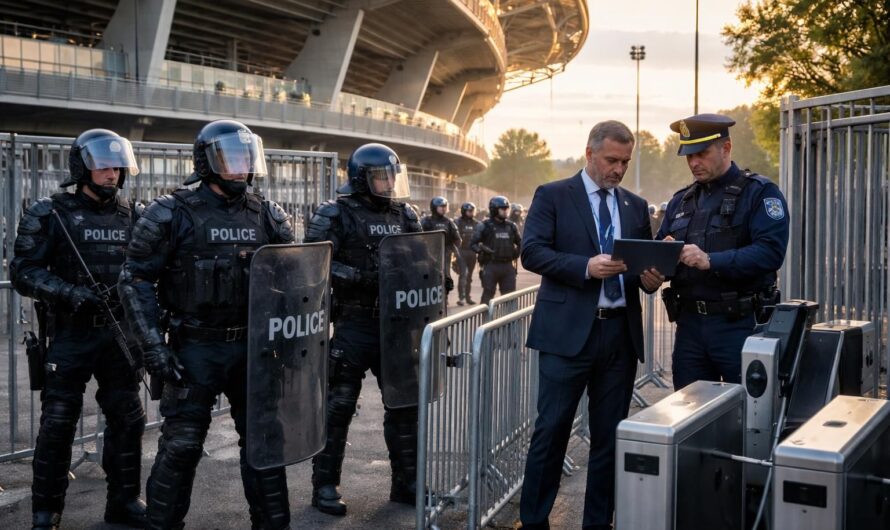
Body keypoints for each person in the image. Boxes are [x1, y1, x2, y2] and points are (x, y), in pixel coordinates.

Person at [117, 120, 296, 530]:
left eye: (246, 157)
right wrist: (152, 347)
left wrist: (290, 343)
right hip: (194, 347)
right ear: (208, 161)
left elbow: (295, 278)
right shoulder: (171, 212)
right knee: (181, 446)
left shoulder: (268, 214)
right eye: (232, 157)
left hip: (253, 348)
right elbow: (135, 278)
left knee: (265, 445)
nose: (241, 166)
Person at [519, 121, 664, 530]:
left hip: (619, 335)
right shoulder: (553, 195)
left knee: (609, 439)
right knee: (551, 432)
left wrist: (649, 278)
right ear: (589, 153)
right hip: (567, 335)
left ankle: (598, 523)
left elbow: (637, 266)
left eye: (625, 162)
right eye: (611, 160)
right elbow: (532, 252)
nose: (617, 169)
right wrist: (584, 266)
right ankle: (534, 521)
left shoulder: (635, 206)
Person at [10, 129, 148, 530]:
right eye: (104, 166)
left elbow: (147, 272)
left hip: (118, 335)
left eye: (117, 167)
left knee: (129, 419)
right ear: (83, 168)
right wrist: (69, 293)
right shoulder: (50, 213)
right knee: (57, 423)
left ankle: (123, 502)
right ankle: (46, 512)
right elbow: (23, 271)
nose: (112, 175)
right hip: (71, 333)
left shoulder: (135, 216)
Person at [304, 143, 423, 516]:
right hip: (355, 322)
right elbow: (312, 262)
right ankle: (324, 485)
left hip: (396, 325)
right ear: (360, 178)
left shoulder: (405, 214)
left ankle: (406, 483)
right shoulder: (335, 213)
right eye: (380, 176)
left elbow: (421, 258)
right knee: (338, 407)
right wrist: (359, 277)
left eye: (391, 175)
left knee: (404, 406)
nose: (387, 182)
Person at [656, 113, 789, 390]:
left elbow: (770, 252)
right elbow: (659, 253)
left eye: (701, 154)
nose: (694, 163)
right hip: (690, 328)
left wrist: (710, 260)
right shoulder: (680, 201)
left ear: (726, 148)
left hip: (739, 326)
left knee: (746, 414)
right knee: (688, 415)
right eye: (689, 156)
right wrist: (652, 270)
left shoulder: (760, 193)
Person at [470, 196, 521, 305]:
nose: (505, 211)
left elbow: (521, 243)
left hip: (508, 266)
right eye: (502, 209)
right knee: (488, 296)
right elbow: (473, 244)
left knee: (510, 298)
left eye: (507, 208)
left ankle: (510, 322)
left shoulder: (512, 226)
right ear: (494, 210)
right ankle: (485, 321)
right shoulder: (483, 225)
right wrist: (482, 251)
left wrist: (517, 253)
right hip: (490, 266)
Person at [420, 196, 460, 300]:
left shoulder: (449, 222)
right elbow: (418, 238)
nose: (443, 208)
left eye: (444, 206)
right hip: (428, 254)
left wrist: (455, 254)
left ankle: (443, 300)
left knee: (445, 279)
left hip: (445, 255)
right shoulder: (425, 221)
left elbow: (457, 239)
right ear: (434, 207)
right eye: (440, 206)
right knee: (427, 278)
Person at [454, 202, 480, 305]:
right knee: (463, 275)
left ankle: (468, 297)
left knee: (469, 276)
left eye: (472, 211)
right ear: (464, 211)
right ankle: (461, 298)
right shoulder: (457, 222)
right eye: (469, 211)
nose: (471, 213)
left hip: (472, 252)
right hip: (461, 251)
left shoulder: (477, 223)